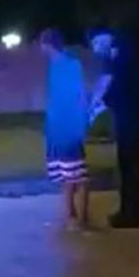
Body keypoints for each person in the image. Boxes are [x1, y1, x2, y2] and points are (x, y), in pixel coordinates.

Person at [89, 27, 139, 228]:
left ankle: (131, 215)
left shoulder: (124, 58)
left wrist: (99, 103)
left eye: (96, 44)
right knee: (127, 169)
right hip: (128, 121)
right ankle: (130, 212)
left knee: (129, 170)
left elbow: (117, 89)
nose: (95, 50)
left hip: (131, 122)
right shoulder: (118, 58)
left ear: (106, 39)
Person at [40, 29, 91, 230]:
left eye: (42, 44)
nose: (41, 49)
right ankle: (72, 215)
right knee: (67, 175)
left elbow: (78, 96)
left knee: (78, 176)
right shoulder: (56, 65)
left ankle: (80, 218)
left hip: (67, 128)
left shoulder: (69, 65)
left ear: (49, 44)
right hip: (58, 128)